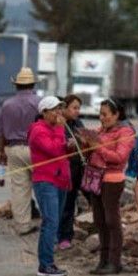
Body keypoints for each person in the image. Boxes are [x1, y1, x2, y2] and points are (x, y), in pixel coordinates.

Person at [81, 99, 135, 275]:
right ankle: (103, 261)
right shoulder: (100, 131)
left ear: (116, 114)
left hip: (112, 180)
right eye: (100, 114)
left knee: (112, 221)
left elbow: (119, 157)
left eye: (105, 114)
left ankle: (115, 262)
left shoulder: (125, 132)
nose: (101, 118)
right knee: (100, 221)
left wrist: (98, 147)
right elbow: (91, 153)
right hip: (95, 179)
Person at [28, 96, 73, 276]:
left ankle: (48, 262)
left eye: (59, 109)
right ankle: (45, 264)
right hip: (46, 181)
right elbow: (53, 149)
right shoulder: (38, 130)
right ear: (44, 112)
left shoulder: (54, 129)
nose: (58, 113)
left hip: (60, 180)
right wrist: (62, 131)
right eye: (54, 109)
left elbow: (61, 148)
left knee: (54, 221)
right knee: (51, 221)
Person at [0, 67, 41, 235]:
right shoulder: (40, 103)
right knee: (43, 185)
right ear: (33, 84)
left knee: (20, 188)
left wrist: (1, 152)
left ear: (16, 86)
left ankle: (22, 225)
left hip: (14, 149)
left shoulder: (7, 105)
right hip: (37, 149)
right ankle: (49, 222)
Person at [57, 94, 86, 250]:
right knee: (57, 205)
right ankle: (56, 235)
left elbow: (84, 140)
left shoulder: (77, 124)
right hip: (59, 172)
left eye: (78, 108)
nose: (77, 111)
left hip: (75, 171)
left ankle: (65, 236)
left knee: (69, 203)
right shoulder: (57, 124)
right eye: (74, 108)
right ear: (64, 108)